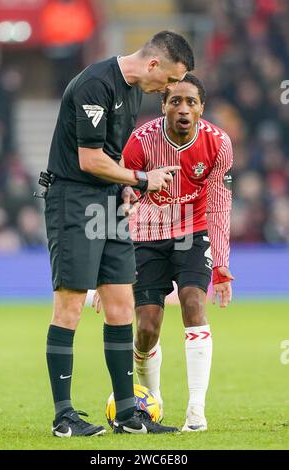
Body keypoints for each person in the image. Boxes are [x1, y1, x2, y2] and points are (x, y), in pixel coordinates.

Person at [44, 31, 194, 437]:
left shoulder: (132, 92)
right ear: (152, 65)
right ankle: (64, 418)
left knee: (121, 305)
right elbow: (89, 159)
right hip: (73, 199)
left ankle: (128, 414)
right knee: (70, 306)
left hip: (108, 200)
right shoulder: (96, 83)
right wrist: (142, 179)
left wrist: (125, 184)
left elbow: (109, 156)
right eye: (168, 80)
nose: (167, 90)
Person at [114, 74, 234, 431]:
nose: (183, 109)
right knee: (147, 327)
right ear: (163, 105)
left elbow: (219, 205)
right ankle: (152, 406)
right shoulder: (140, 142)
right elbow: (121, 200)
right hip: (147, 235)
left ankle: (196, 412)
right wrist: (110, 270)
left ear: (202, 108)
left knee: (194, 304)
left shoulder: (218, 144)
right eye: (175, 101)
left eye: (191, 102)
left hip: (193, 232)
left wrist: (222, 264)